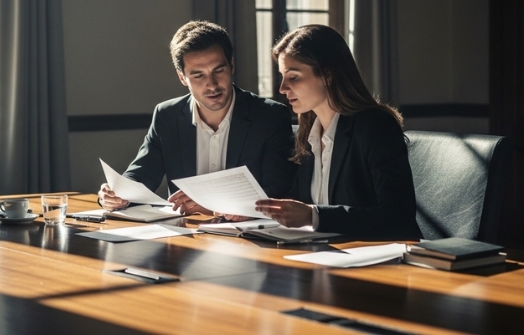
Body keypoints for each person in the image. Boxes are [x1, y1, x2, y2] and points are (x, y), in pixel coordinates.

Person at [98, 20, 296, 215]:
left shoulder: (270, 116)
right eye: (198, 75)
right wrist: (115, 194)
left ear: (232, 65)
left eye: (219, 70)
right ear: (182, 77)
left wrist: (215, 206)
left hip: (251, 237)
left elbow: (278, 193)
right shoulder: (167, 116)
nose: (211, 84)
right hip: (185, 237)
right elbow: (142, 174)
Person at [255, 24, 422, 240]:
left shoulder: (376, 126)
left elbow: (398, 217)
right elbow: (295, 205)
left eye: (293, 77)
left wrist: (313, 216)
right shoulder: (306, 136)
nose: (282, 88)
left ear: (327, 74)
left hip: (378, 260)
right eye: (282, 76)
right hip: (324, 256)